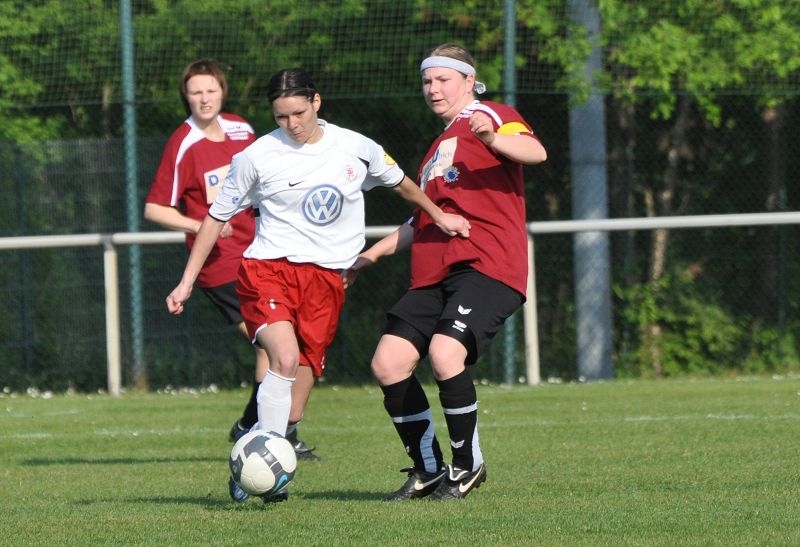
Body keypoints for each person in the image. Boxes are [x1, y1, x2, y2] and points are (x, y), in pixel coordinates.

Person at [165, 67, 471, 503]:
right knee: (283, 358)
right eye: (280, 117)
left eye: (297, 113)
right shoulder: (256, 157)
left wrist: (438, 215)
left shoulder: (354, 147)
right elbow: (215, 217)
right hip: (268, 270)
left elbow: (402, 185)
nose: (291, 124)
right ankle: (263, 470)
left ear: (316, 102)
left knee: (295, 403)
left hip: (327, 280)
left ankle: (258, 452)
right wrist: (186, 282)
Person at [345, 43, 547, 501]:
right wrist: (370, 255)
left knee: (444, 353)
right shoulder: (438, 149)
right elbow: (424, 220)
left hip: (486, 265)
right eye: (427, 81)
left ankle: (467, 465)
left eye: (443, 79)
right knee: (388, 363)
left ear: (469, 81)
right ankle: (428, 469)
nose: (433, 89)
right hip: (434, 274)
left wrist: (494, 140)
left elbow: (535, 152)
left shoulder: (490, 114)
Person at [143, 59, 320, 505]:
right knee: (277, 347)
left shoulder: (242, 130)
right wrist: (200, 222)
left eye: (210, 91)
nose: (204, 99)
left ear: (222, 93)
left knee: (279, 348)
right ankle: (265, 433)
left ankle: (257, 429)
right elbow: (155, 208)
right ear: (186, 97)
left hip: (262, 255)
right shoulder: (183, 143)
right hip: (220, 266)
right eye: (195, 92)